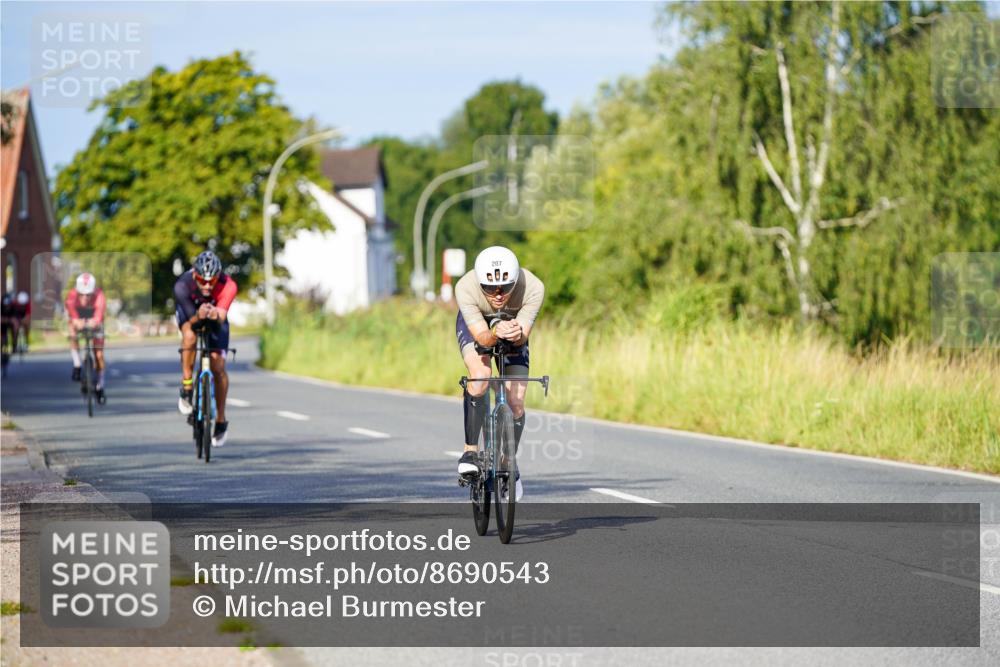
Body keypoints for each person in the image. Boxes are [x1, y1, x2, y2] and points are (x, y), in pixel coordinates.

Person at [454, 246, 544, 501]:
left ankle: (508, 460)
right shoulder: (466, 287)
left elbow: (522, 336)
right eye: (490, 288)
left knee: (515, 402)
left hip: (513, 328)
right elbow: (482, 337)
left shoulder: (533, 287)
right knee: (480, 375)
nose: (498, 294)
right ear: (480, 282)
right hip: (478, 325)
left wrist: (513, 333)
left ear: (515, 281)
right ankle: (470, 451)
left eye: (506, 287)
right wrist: (494, 332)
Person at [174, 250, 237, 447]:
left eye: (212, 281)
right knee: (190, 336)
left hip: (216, 318)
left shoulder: (228, 284)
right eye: (203, 280)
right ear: (195, 275)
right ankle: (187, 385)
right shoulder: (182, 285)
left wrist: (214, 313)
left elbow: (222, 315)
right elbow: (191, 321)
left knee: (218, 367)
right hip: (191, 315)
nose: (208, 285)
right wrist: (199, 314)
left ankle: (220, 419)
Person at [65, 273, 108, 403]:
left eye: (88, 294)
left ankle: (100, 385)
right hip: (79, 315)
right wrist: (77, 321)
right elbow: (72, 313)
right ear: (77, 291)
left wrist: (93, 322)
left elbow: (99, 315)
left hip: (94, 317)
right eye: (82, 294)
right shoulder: (72, 296)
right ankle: (77, 364)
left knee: (99, 355)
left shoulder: (100, 295)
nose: (85, 297)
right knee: (72, 329)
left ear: (93, 291)